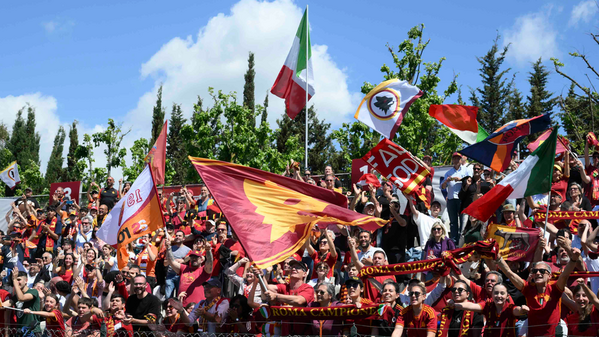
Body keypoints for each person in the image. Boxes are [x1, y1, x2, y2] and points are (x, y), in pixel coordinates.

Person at [496, 247, 581, 337]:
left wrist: (573, 260)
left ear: (549, 276)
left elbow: (564, 275)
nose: (538, 273)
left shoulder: (555, 288)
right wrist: (498, 258)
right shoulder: (528, 289)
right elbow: (510, 274)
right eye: (535, 271)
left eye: (542, 271)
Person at [450, 283, 527, 337]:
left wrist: (522, 309)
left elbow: (517, 310)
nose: (499, 296)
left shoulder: (510, 308)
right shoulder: (488, 305)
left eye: (502, 293)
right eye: (496, 293)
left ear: (507, 296)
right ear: (492, 295)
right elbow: (472, 305)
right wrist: (454, 304)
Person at [263, 259, 314, 335]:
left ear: (305, 274)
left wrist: (276, 296)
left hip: (302, 334)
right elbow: (266, 288)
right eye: (292, 267)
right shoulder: (285, 287)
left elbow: (299, 300)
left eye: (298, 267)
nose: (293, 269)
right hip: (285, 333)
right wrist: (261, 275)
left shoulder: (308, 288)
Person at [166, 239, 213, 306]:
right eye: (192, 257)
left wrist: (208, 250)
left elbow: (210, 261)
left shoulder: (204, 270)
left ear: (201, 260)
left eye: (196, 257)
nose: (194, 259)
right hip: (183, 306)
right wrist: (168, 247)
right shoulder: (184, 268)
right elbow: (171, 261)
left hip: (197, 307)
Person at [441, 152, 472, 243]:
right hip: (451, 199)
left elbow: (470, 182)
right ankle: (454, 241)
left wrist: (460, 179)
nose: (456, 160)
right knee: (453, 222)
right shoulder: (448, 173)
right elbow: (442, 187)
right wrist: (446, 181)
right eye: (454, 158)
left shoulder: (466, 170)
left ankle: (463, 240)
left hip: (462, 199)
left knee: (464, 221)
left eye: (457, 158)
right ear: (452, 160)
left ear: (461, 159)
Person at [10, 268, 42, 335]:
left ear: (26, 281)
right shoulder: (16, 296)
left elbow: (21, 298)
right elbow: (3, 305)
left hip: (33, 331)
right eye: (16, 280)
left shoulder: (33, 291)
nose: (17, 282)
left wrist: (14, 280)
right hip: (21, 331)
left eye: (19, 280)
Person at [164, 230, 191, 299]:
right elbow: (165, 263)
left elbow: (190, 265)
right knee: (168, 297)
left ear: (184, 238)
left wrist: (183, 261)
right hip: (170, 275)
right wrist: (171, 261)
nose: (177, 237)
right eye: (176, 235)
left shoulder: (188, 250)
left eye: (180, 236)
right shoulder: (170, 248)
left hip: (182, 275)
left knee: (180, 297)